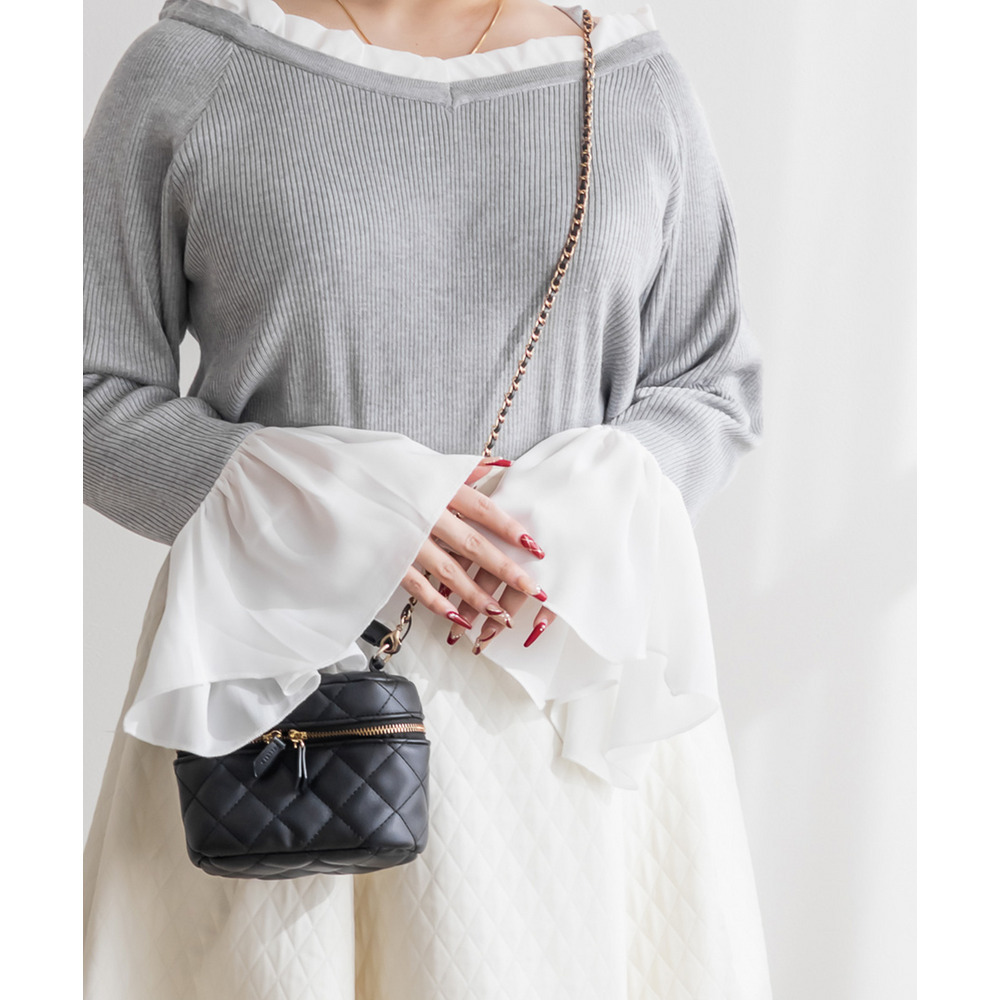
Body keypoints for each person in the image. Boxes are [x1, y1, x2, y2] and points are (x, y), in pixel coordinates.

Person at [83, 1, 772, 997]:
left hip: (562, 712)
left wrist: (558, 521)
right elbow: (77, 392)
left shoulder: (626, 78)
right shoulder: (194, 68)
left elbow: (712, 382)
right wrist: (338, 505)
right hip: (278, 721)